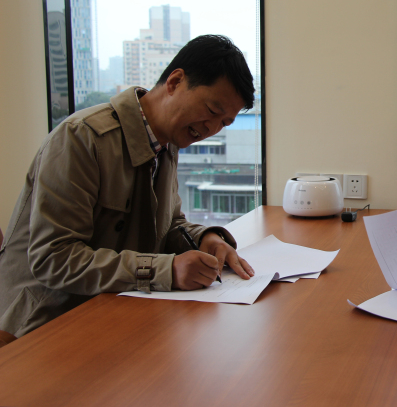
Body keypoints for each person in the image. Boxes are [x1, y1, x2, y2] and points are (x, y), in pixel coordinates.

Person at [0, 35, 256, 346]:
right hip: (43, 326)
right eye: (212, 110)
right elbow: (54, 258)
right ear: (175, 82)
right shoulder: (82, 138)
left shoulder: (168, 142)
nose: (211, 129)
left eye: (225, 123)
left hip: (110, 311)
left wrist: (206, 239)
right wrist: (166, 271)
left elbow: (169, 224)